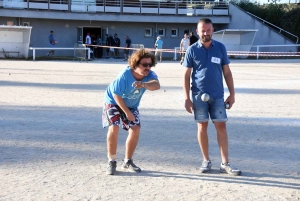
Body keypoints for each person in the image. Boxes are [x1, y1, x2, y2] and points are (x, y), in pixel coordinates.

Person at [182, 18, 242, 176]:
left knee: (221, 127)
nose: (205, 33)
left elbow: (227, 72)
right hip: (198, 95)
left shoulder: (220, 48)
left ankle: (225, 163)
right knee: (202, 127)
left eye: (208, 30)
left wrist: (232, 94)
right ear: (197, 31)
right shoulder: (192, 50)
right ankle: (206, 161)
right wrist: (187, 98)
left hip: (217, 96)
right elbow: (186, 75)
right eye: (202, 30)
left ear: (212, 30)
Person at [102, 49, 160, 175]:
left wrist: (143, 85)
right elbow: (116, 95)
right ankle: (111, 161)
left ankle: (127, 161)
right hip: (113, 101)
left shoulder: (149, 75)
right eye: (144, 65)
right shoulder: (125, 75)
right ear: (135, 64)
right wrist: (127, 112)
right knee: (114, 127)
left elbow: (156, 85)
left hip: (131, 104)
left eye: (150, 64)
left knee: (135, 129)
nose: (147, 67)